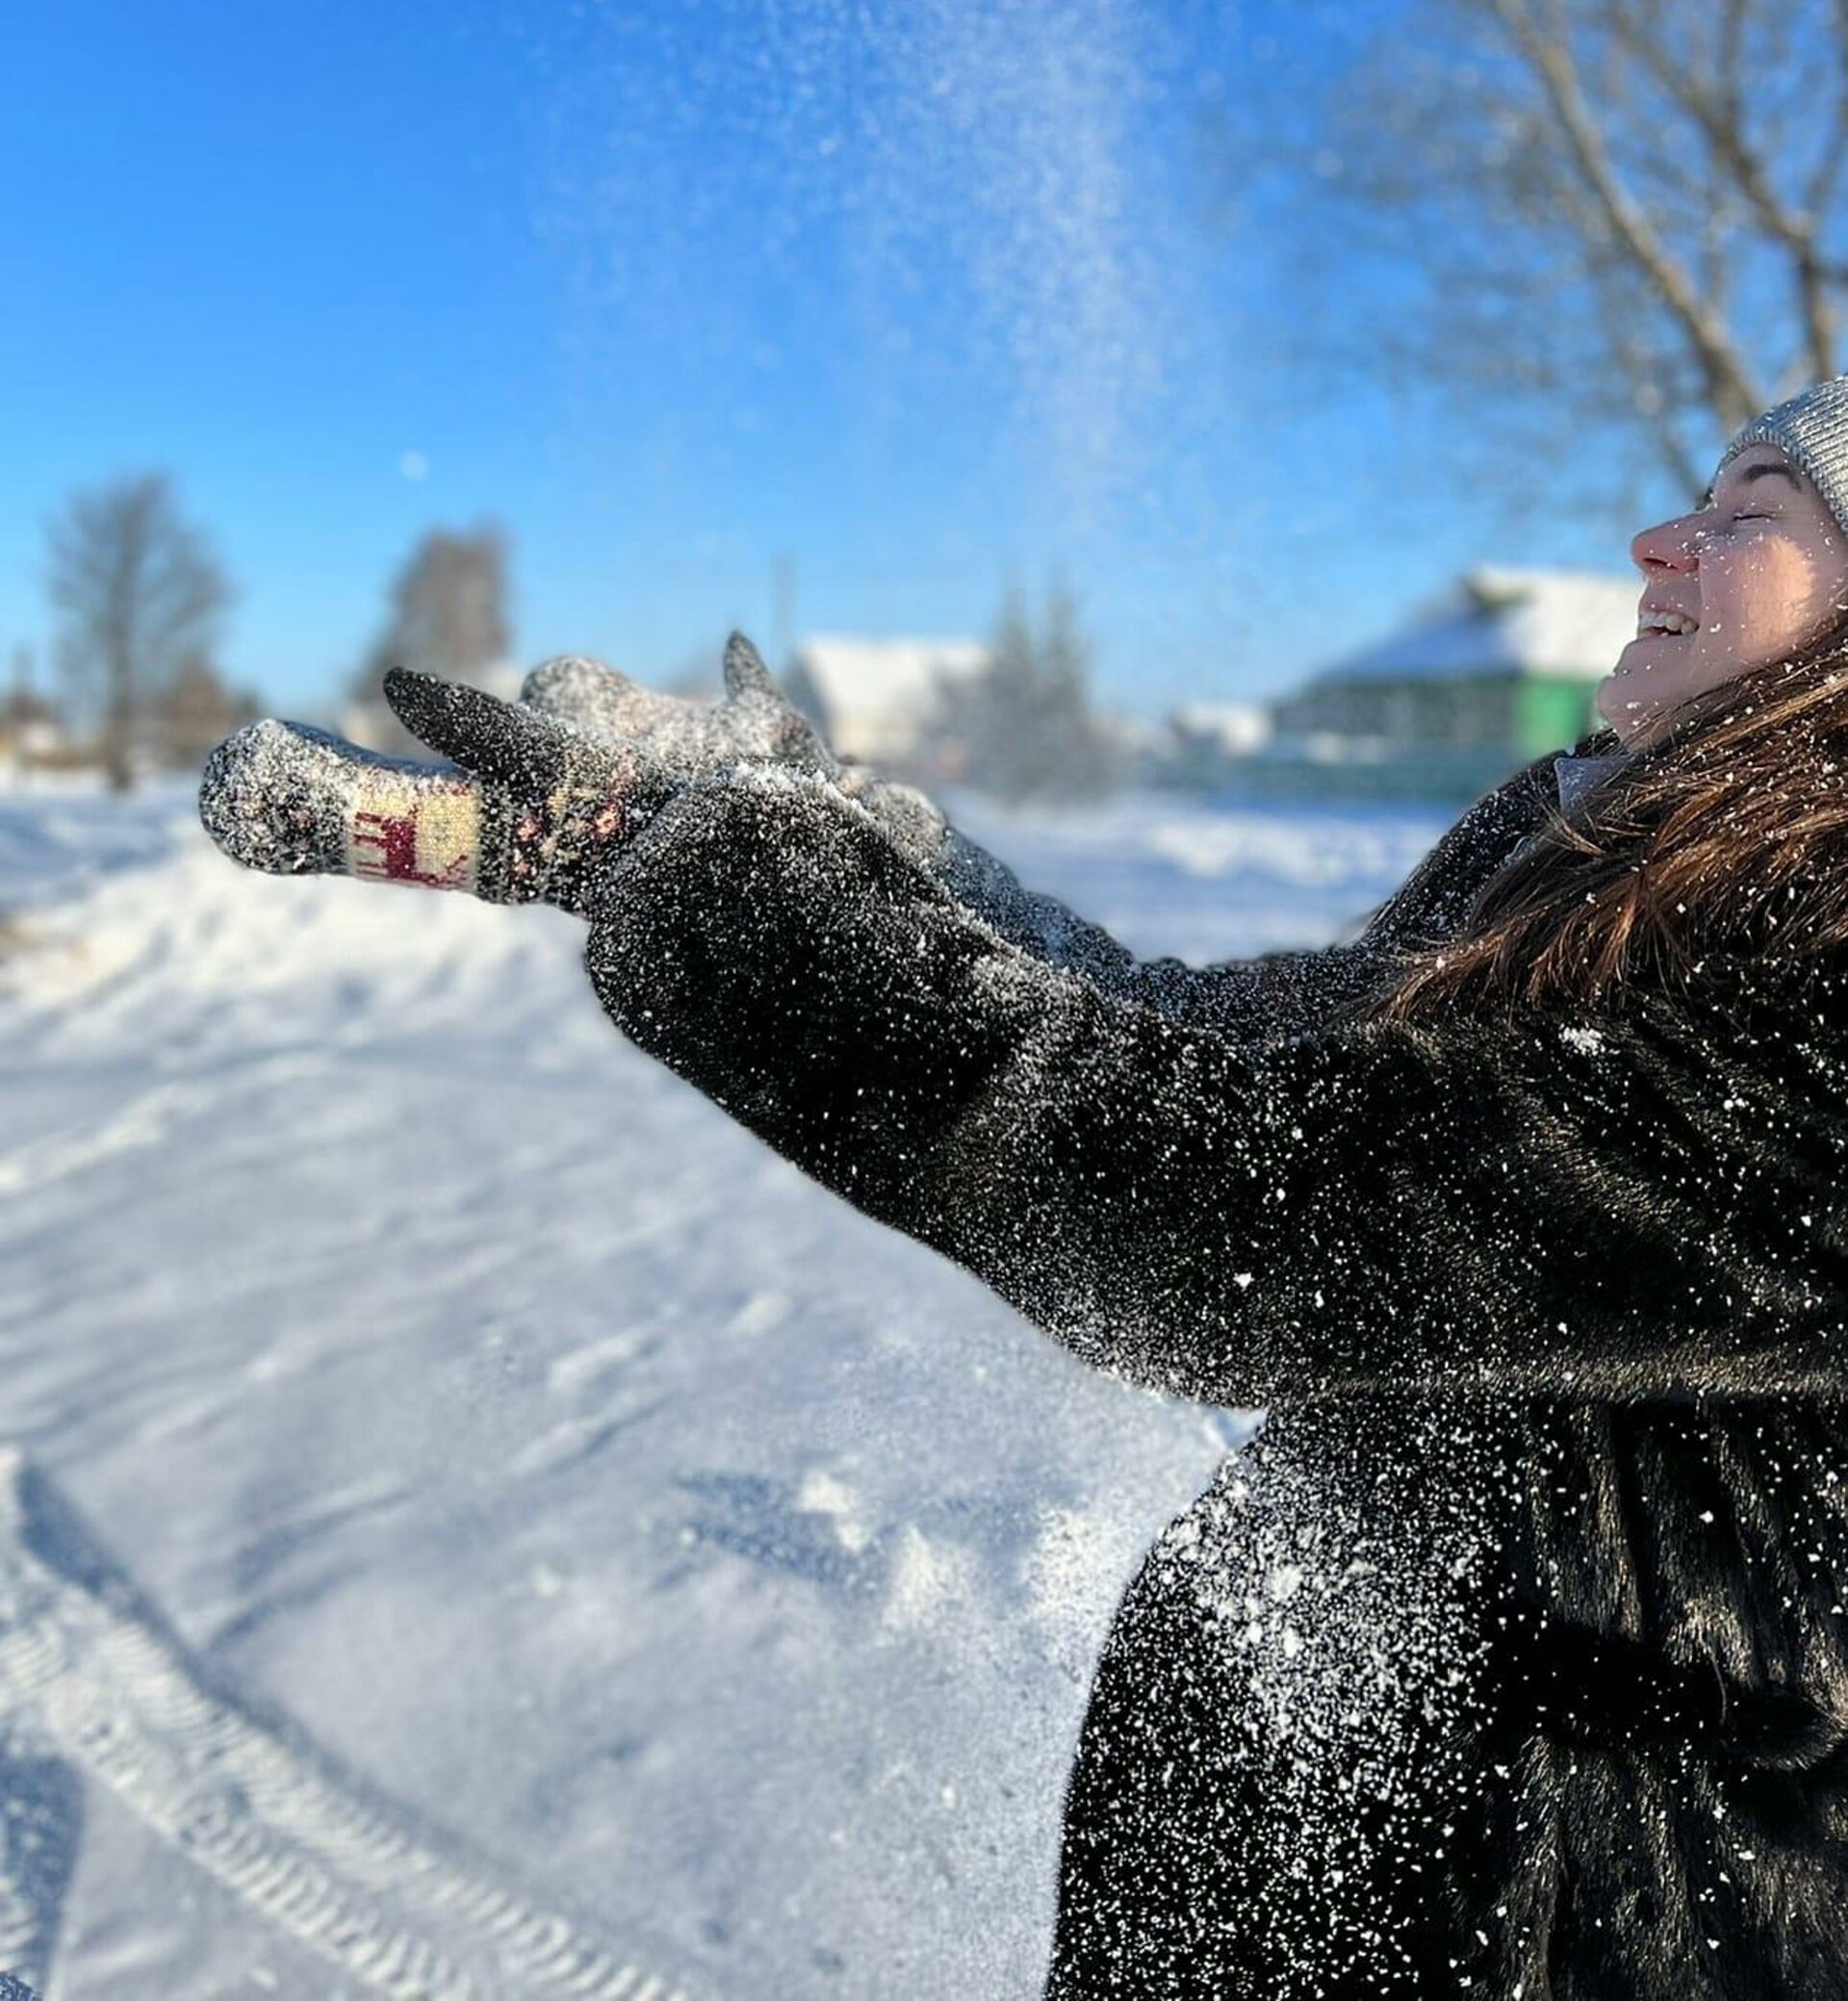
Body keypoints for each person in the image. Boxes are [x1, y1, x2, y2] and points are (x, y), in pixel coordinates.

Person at [202, 382, 1848, 1999]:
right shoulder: (1601, 854)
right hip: (1311, 1846)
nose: (1660, 540)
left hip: (1578, 1909)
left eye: (1750, 513)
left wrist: (702, 889)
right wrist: (864, 844)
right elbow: (1216, 1054)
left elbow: (1247, 1213)